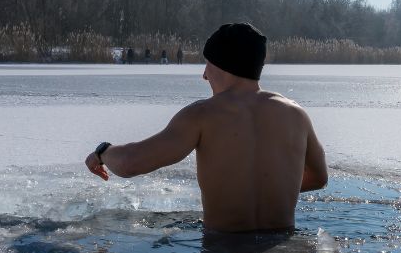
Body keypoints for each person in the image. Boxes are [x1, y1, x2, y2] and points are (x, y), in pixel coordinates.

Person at [85, 22, 327, 232]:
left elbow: (130, 163)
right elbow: (318, 177)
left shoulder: (203, 114)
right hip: (286, 252)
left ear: (223, 66)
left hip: (222, 251)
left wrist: (103, 151)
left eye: (208, 64)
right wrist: (271, 192)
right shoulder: (296, 114)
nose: (204, 75)